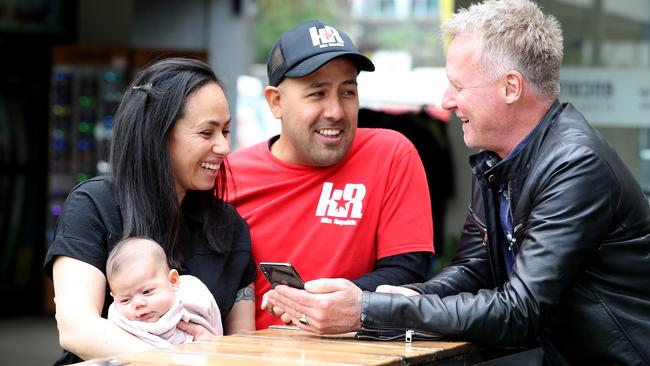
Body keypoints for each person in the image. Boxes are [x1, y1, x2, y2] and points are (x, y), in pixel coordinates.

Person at [262, 1, 650, 365]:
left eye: (458, 86)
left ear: (511, 88)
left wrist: (366, 310)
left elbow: (520, 311)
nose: (446, 101)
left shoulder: (574, 163)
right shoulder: (499, 155)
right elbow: (473, 270)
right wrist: (409, 295)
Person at [44, 57, 256, 365]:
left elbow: (242, 344)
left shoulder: (230, 226)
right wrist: (180, 359)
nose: (224, 147)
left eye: (225, 131)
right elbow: (77, 329)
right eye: (207, 132)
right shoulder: (93, 205)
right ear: (158, 133)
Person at [226, 20, 435, 329]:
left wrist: (331, 305)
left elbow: (406, 271)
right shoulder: (228, 175)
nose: (335, 111)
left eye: (347, 91)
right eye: (318, 93)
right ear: (276, 102)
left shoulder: (391, 154)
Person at [106, 237, 223, 347]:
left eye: (147, 292)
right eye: (125, 300)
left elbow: (214, 328)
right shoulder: (121, 324)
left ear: (173, 281)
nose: (138, 304)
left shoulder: (193, 300)